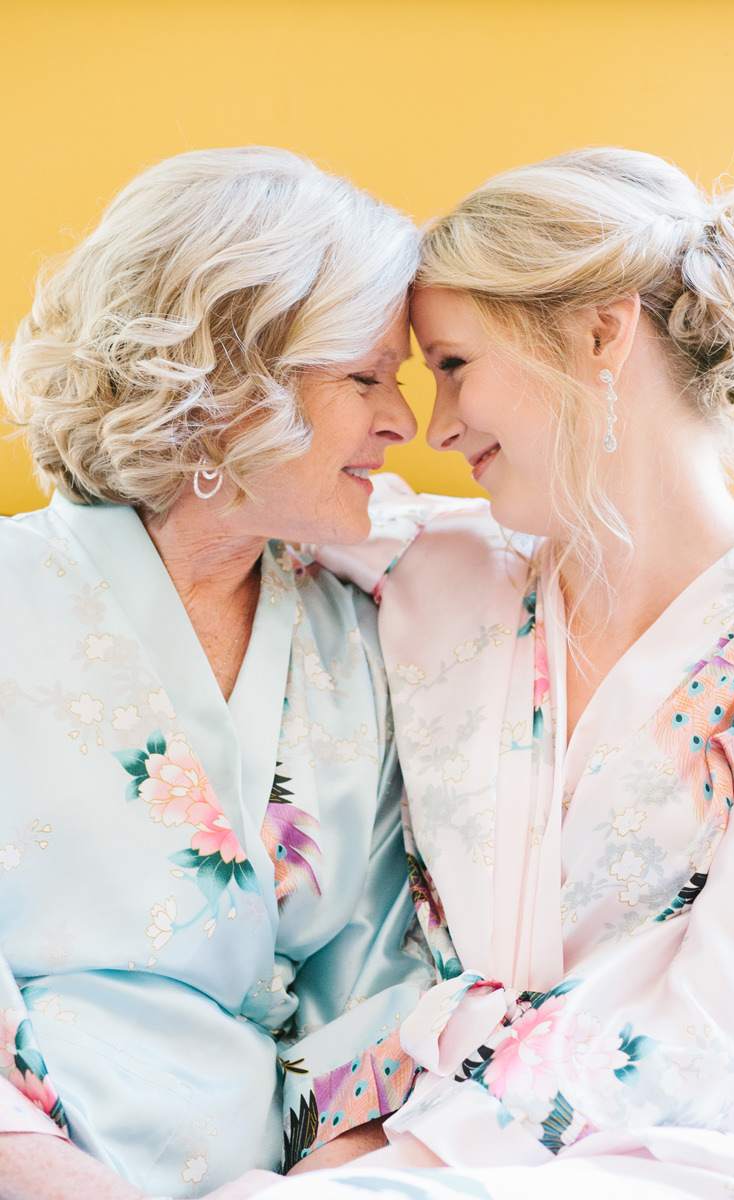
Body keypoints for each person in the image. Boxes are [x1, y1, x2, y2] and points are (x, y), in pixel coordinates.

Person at [299, 148, 734, 1199]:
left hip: (684, 1160)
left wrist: (405, 1167)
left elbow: (724, 1025)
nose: (433, 431)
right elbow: (217, 504)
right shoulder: (429, 570)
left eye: (451, 365)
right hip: (415, 1144)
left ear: (598, 332)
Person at [0, 146, 434, 1200]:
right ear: (231, 383)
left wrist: (324, 1185)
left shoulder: (359, 636)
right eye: (364, 376)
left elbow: (376, 977)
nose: (403, 423)